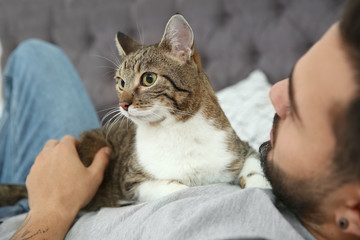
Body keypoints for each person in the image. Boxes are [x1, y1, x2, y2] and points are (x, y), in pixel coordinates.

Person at [1, 0, 359, 239]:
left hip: (37, 212)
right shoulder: (284, 192)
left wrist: (48, 212)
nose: (274, 94)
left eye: (297, 109)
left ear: (353, 209)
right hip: (75, 177)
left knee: (35, 58)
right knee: (36, 58)